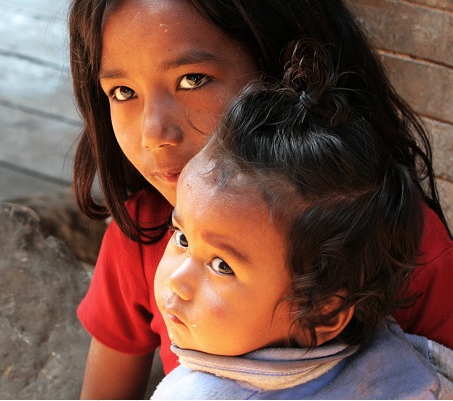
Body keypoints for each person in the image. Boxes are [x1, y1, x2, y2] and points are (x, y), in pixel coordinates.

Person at [68, 0, 453, 398]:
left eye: (193, 80)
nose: (154, 132)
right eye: (123, 92)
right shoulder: (147, 232)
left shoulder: (406, 249)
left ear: (284, 72)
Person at [150, 41, 453, 399]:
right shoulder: (405, 369)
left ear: (323, 313)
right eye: (182, 238)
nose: (177, 279)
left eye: (221, 265)